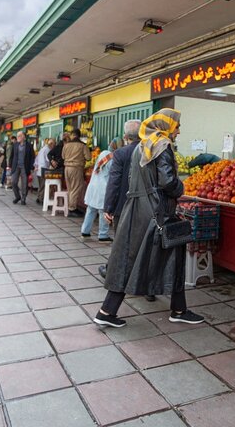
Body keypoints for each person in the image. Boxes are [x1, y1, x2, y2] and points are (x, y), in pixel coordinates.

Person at [94, 108, 204, 328]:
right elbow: (167, 182)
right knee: (175, 255)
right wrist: (180, 187)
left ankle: (107, 311)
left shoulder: (143, 146)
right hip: (157, 213)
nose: (178, 131)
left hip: (137, 210)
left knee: (129, 259)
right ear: (167, 125)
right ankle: (179, 310)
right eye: (177, 126)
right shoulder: (162, 146)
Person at [99, 120, 142, 278]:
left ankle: (114, 272)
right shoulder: (149, 152)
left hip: (122, 206)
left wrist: (108, 208)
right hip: (144, 207)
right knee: (141, 244)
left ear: (125, 136)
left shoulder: (120, 153)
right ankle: (141, 280)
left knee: (120, 241)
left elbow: (114, 183)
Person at [81, 139, 117, 242]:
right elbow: (112, 172)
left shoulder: (103, 153)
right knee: (103, 212)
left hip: (94, 185)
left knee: (91, 210)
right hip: (103, 187)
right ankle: (103, 235)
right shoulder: (112, 157)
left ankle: (85, 231)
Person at [62, 128, 91, 217]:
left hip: (66, 168)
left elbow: (63, 156)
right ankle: (72, 209)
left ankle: (72, 206)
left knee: (70, 188)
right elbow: (88, 157)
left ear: (72, 135)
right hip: (76, 168)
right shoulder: (82, 145)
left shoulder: (66, 145)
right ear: (79, 135)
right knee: (76, 188)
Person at [11, 132, 36, 205]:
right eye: (17, 135)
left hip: (25, 167)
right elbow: (12, 156)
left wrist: (31, 166)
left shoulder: (29, 146)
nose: (18, 137)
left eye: (20, 136)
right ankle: (17, 196)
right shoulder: (15, 145)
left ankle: (23, 198)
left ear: (24, 137)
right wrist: (9, 165)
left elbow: (32, 157)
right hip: (16, 166)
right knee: (13, 182)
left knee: (24, 184)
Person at [34, 138, 55, 204]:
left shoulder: (42, 149)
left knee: (41, 185)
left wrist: (36, 166)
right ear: (51, 144)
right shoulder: (47, 150)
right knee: (43, 185)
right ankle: (41, 199)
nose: (54, 147)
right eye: (54, 145)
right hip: (44, 169)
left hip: (39, 170)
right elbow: (48, 159)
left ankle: (39, 198)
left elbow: (36, 159)